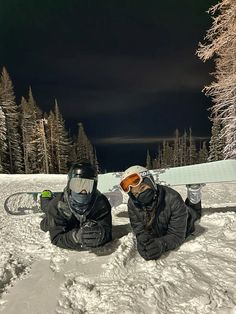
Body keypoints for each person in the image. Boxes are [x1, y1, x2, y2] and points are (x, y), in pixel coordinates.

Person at [120, 165, 203, 261]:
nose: (140, 195)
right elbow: (139, 229)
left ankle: (194, 192)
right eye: (136, 194)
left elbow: (177, 235)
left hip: (187, 220)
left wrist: (161, 244)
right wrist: (143, 241)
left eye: (142, 188)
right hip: (161, 227)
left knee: (194, 214)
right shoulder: (133, 204)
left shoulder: (173, 198)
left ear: (150, 183)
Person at [40, 161, 112, 250]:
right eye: (77, 185)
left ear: (94, 187)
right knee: (45, 221)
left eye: (87, 186)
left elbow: (107, 230)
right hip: (58, 213)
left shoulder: (101, 204)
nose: (82, 191)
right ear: (70, 185)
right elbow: (56, 238)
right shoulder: (57, 205)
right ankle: (45, 197)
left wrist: (100, 234)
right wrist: (74, 237)